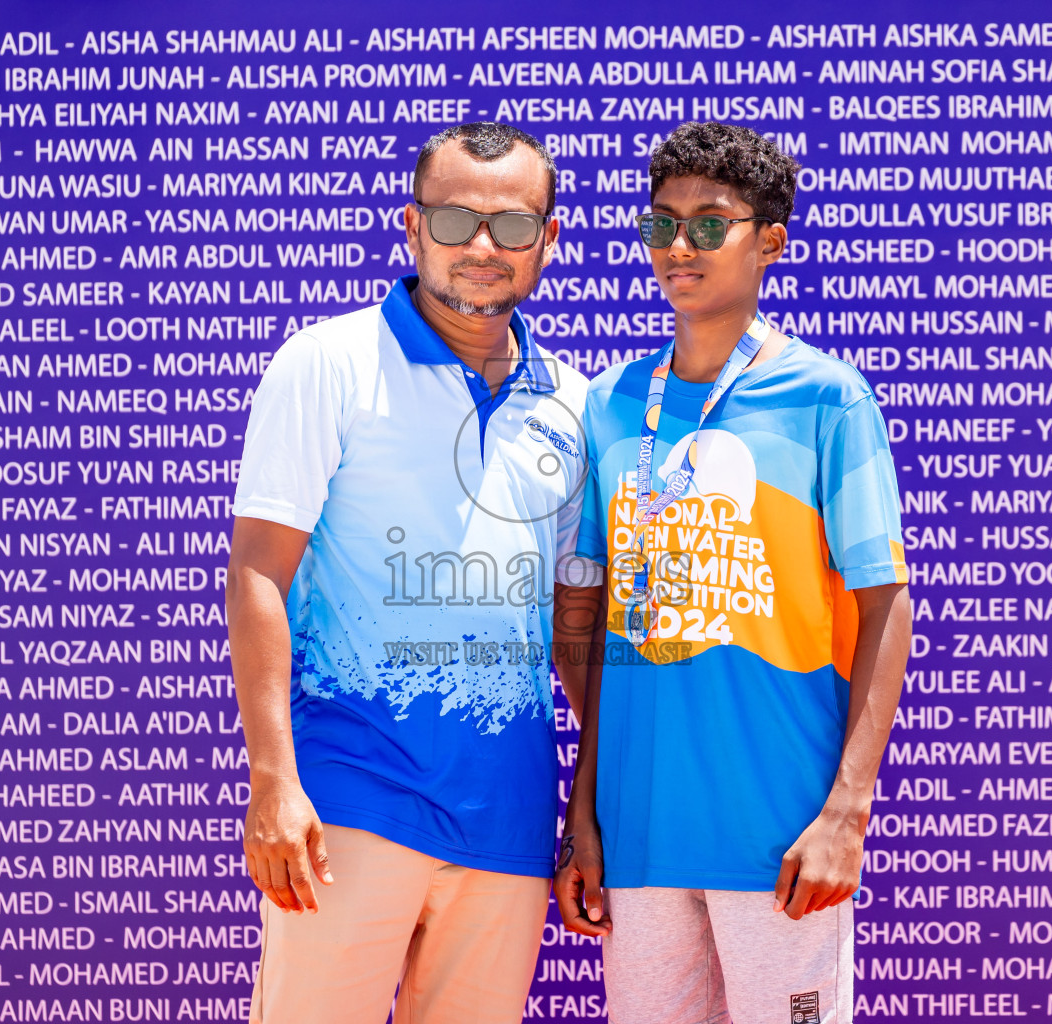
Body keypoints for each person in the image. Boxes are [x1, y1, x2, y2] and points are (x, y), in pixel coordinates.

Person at [227, 122, 599, 1024]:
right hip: (349, 802)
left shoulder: (576, 399)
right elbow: (259, 574)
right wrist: (274, 780)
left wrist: (588, 809)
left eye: (512, 226)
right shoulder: (329, 362)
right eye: (454, 218)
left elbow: (578, 633)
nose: (481, 246)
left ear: (548, 242)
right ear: (411, 226)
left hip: (507, 825)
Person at [552, 121, 912, 1024]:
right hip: (639, 838)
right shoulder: (609, 401)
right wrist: (586, 810)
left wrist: (845, 816)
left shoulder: (829, 396)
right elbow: (598, 636)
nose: (680, 246)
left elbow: (885, 604)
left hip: (779, 837)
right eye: (662, 223)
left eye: (710, 224)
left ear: (770, 243)